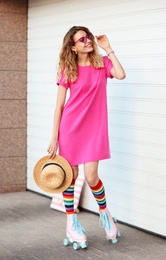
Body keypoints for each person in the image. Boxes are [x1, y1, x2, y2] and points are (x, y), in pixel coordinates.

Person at [47, 26, 126, 249]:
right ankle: (71, 221)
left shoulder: (101, 63)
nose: (88, 40)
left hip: (95, 129)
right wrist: (54, 136)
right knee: (70, 176)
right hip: (71, 128)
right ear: (73, 47)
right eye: (82, 39)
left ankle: (105, 213)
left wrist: (108, 49)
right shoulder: (67, 69)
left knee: (91, 177)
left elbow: (120, 74)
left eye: (88, 36)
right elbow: (59, 106)